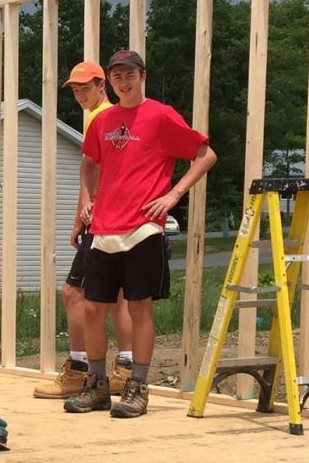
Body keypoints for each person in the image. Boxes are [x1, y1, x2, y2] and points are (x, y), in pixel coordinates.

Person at [65, 50, 217, 418]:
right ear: (111, 81)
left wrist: (173, 195)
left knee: (138, 307)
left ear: (142, 76)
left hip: (143, 227)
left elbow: (205, 154)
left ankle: (137, 386)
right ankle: (97, 385)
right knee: (92, 307)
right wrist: (87, 206)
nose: (123, 81)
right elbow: (89, 163)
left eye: (129, 74)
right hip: (105, 227)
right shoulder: (103, 122)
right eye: (117, 75)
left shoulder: (160, 115)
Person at [33, 61, 135, 399]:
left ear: (101, 86)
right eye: (75, 90)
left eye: (85, 89)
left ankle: (79, 371)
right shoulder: (111, 116)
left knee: (74, 293)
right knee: (120, 298)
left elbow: (93, 171)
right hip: (120, 216)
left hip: (104, 217)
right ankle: (125, 369)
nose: (79, 95)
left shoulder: (102, 117)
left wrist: (83, 214)